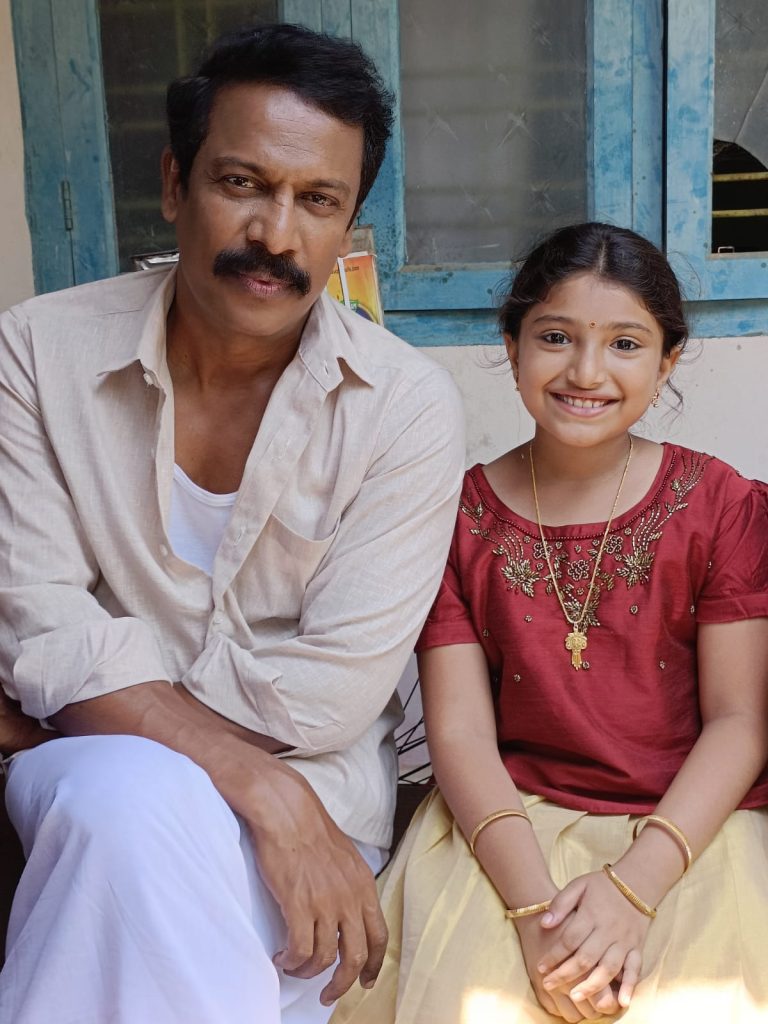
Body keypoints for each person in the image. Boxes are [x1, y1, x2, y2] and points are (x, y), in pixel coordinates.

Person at [0, 23, 465, 1024]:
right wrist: (260, 785)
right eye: (243, 184)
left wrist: (87, 693)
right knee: (123, 797)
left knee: (126, 823)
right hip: (138, 782)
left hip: (317, 801)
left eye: (318, 201)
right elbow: (38, 622)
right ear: (176, 184)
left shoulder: (405, 408)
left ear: (348, 223)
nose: (276, 235)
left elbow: (327, 700)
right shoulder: (34, 353)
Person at [333, 222, 768, 1024]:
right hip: (506, 824)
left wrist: (634, 889)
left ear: (667, 361)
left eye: (625, 344)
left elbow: (740, 722)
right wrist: (535, 916)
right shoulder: (455, 517)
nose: (586, 372)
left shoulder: (721, 507)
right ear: (511, 345)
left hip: (687, 825)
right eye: (556, 337)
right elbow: (460, 733)